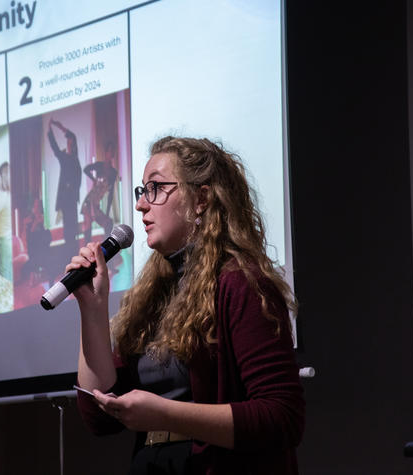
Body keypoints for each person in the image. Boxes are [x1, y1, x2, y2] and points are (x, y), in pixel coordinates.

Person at [70, 137, 305, 474]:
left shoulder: (241, 284)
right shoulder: (150, 296)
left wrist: (165, 413)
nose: (141, 205)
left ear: (201, 199)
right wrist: (92, 311)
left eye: (155, 188)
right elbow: (99, 418)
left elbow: (282, 417)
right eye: (142, 190)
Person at [47, 118, 82, 247]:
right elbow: (54, 146)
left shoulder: (74, 158)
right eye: (68, 142)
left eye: (71, 142)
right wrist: (50, 129)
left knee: (72, 228)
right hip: (66, 199)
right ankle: (70, 252)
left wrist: (60, 126)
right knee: (68, 230)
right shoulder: (64, 157)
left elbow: (72, 136)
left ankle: (73, 250)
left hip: (72, 199)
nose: (70, 144)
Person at [80, 141, 119, 243]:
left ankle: (106, 250)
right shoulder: (99, 165)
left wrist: (106, 211)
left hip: (96, 204)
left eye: (112, 151)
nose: (111, 153)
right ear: (106, 152)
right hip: (88, 202)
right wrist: (93, 179)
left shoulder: (113, 173)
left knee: (108, 223)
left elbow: (110, 195)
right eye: (109, 151)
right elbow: (85, 169)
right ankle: (88, 255)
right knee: (88, 227)